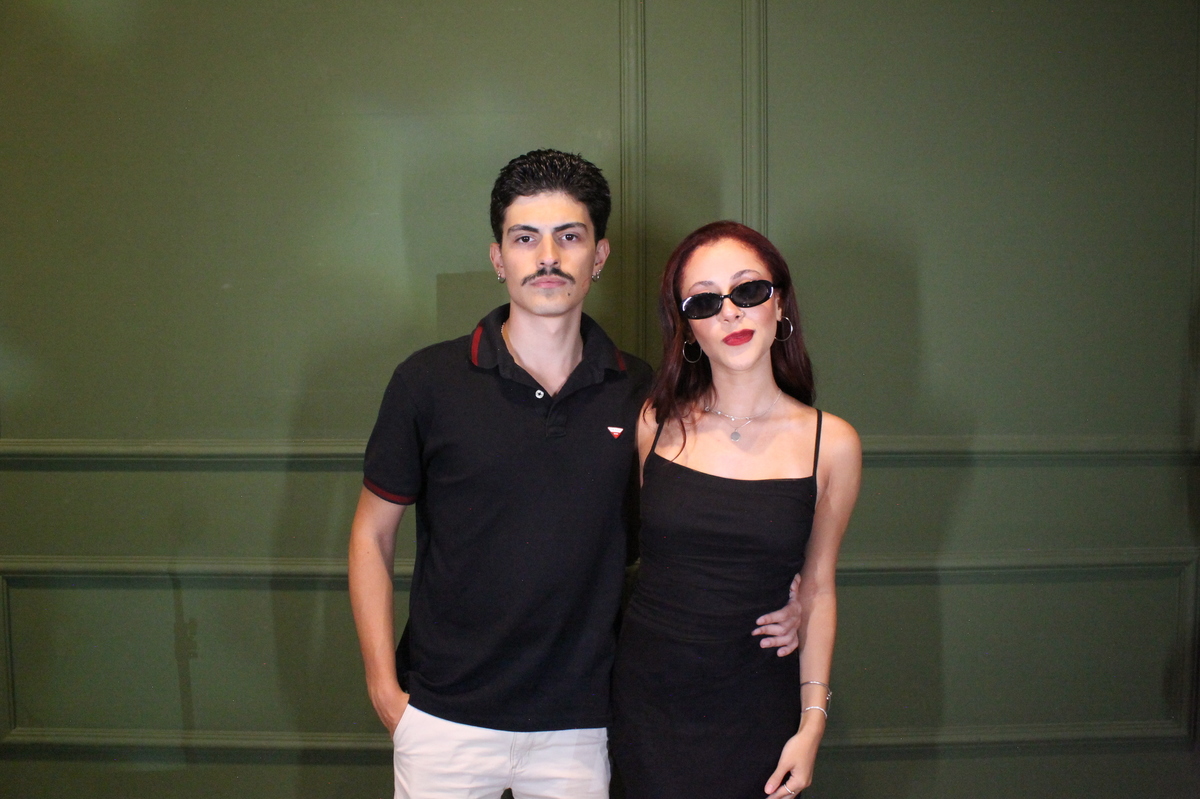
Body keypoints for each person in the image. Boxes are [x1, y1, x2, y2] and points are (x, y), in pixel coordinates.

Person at [348, 152, 801, 799]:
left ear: (600, 255)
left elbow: (707, 524)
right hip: (444, 717)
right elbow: (371, 536)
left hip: (587, 723)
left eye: (569, 236)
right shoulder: (427, 382)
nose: (548, 257)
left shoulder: (646, 394)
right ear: (498, 258)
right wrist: (384, 689)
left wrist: (795, 593)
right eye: (524, 238)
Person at [610, 221, 862, 798]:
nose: (730, 312)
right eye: (704, 300)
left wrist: (812, 725)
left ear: (780, 304)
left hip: (757, 706)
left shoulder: (832, 444)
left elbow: (818, 587)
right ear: (687, 329)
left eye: (748, 290)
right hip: (646, 701)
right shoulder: (655, 423)